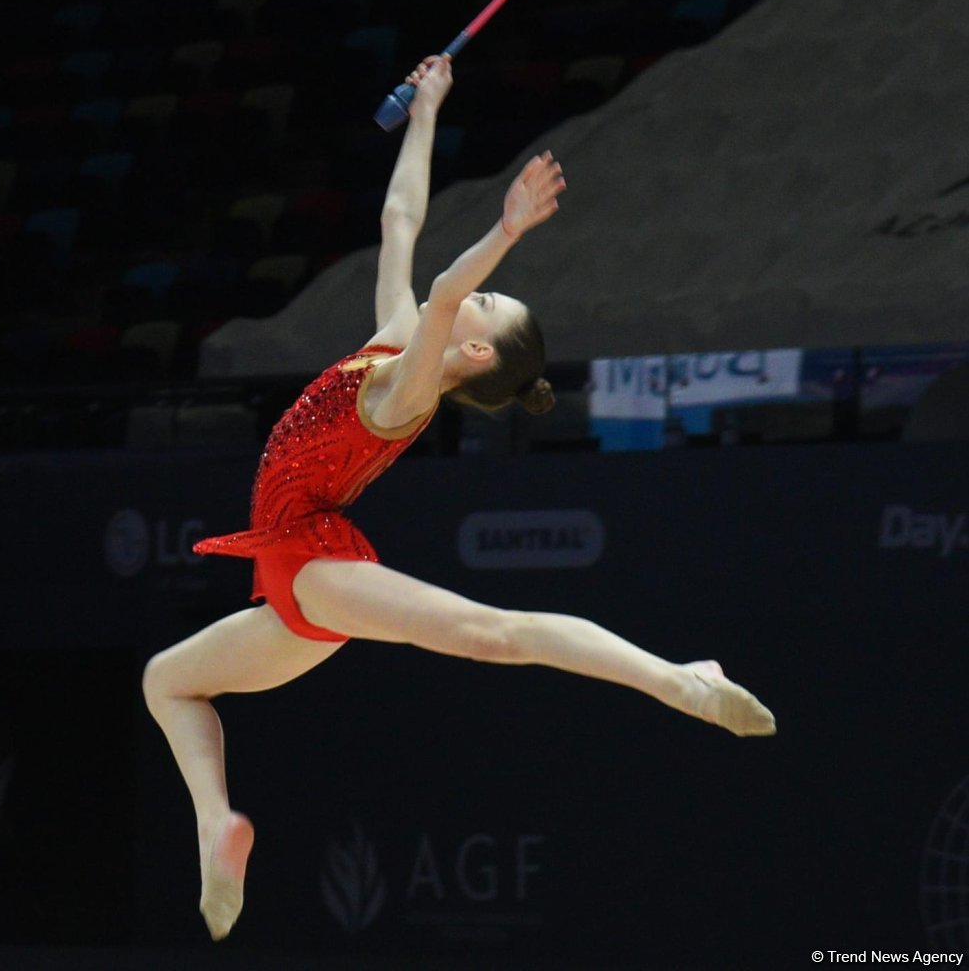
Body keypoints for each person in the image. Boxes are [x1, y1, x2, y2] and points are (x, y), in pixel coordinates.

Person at [143, 55, 776, 943]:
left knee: (496, 633)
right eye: (485, 290)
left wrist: (508, 231)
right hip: (292, 579)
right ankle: (217, 825)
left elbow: (442, 285)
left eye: (487, 302)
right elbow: (398, 220)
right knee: (167, 682)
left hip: (312, 563)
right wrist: (429, 108)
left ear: (474, 353)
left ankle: (683, 683)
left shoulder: (408, 393)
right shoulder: (392, 343)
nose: (469, 295)